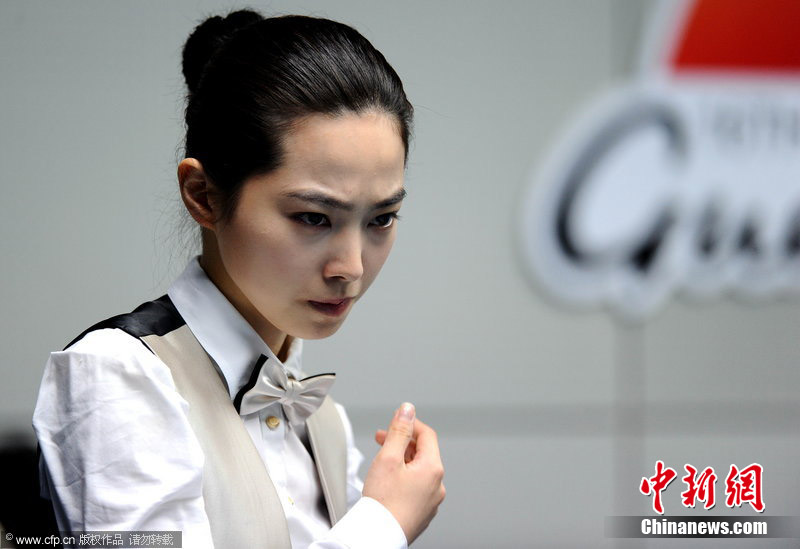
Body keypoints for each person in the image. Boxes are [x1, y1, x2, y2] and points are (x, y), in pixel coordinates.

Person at [32, 10, 445, 549]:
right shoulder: (117, 375)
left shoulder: (324, 421)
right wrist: (383, 524)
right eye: (313, 217)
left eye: (381, 219)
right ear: (203, 195)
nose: (352, 266)